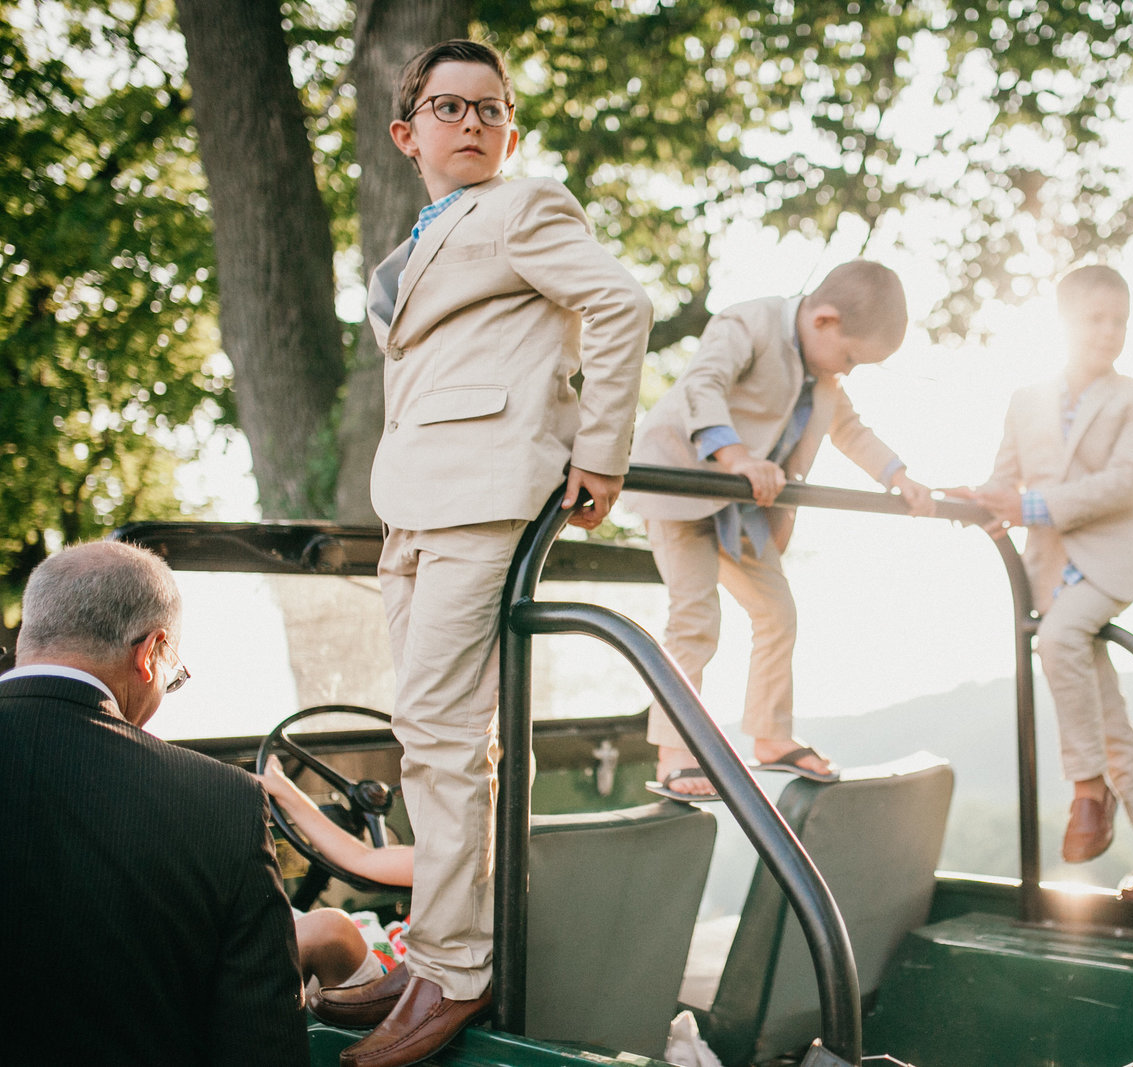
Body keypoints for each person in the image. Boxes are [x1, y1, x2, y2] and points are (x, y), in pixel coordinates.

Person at [334, 37, 652, 1067]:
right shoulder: (410, 248)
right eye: (448, 107)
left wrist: (597, 452)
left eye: (490, 109)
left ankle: (453, 970)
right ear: (407, 130)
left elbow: (618, 303)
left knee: (439, 726)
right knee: (425, 732)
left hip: (485, 497)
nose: (470, 123)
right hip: (411, 507)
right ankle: (426, 947)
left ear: (509, 130)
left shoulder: (523, 207)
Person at [626, 259, 935, 799]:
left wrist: (900, 477)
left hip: (739, 504)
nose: (848, 371)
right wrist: (738, 456)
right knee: (695, 619)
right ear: (824, 321)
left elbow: (851, 431)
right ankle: (674, 752)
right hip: (679, 485)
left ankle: (770, 733)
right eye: (851, 357)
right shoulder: (750, 324)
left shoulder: (825, 376)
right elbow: (704, 385)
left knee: (777, 612)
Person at [0, 541, 309, 1066]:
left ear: (32, 629)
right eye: (175, 675)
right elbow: (263, 1047)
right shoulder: (222, 802)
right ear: (150, 653)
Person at [958, 264, 1133, 902]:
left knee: (1057, 640)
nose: (1110, 332)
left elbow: (1122, 485)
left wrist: (1030, 507)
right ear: (1062, 323)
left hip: (1106, 563)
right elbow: (1003, 480)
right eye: (1096, 319)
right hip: (1048, 569)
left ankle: (1089, 790)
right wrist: (973, 499)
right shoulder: (1026, 399)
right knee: (1106, 711)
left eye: (1120, 321)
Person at [252, 756, 416, 1005]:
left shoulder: (485, 869)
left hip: (404, 987)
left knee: (328, 929)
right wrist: (284, 791)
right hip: (388, 949)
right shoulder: (457, 855)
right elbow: (361, 858)